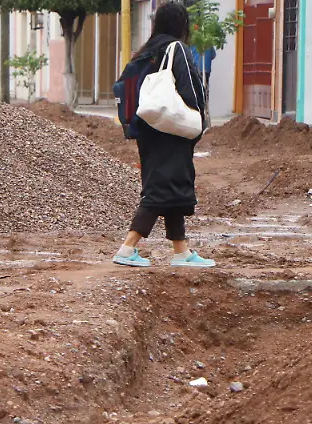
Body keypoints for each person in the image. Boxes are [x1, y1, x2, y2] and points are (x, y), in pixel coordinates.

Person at [113, 2, 214, 268]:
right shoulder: (175, 49)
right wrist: (197, 118)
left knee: (170, 185)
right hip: (171, 129)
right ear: (181, 25)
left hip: (148, 129)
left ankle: (181, 251)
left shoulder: (145, 52)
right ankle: (127, 247)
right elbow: (192, 88)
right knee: (161, 189)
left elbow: (124, 86)